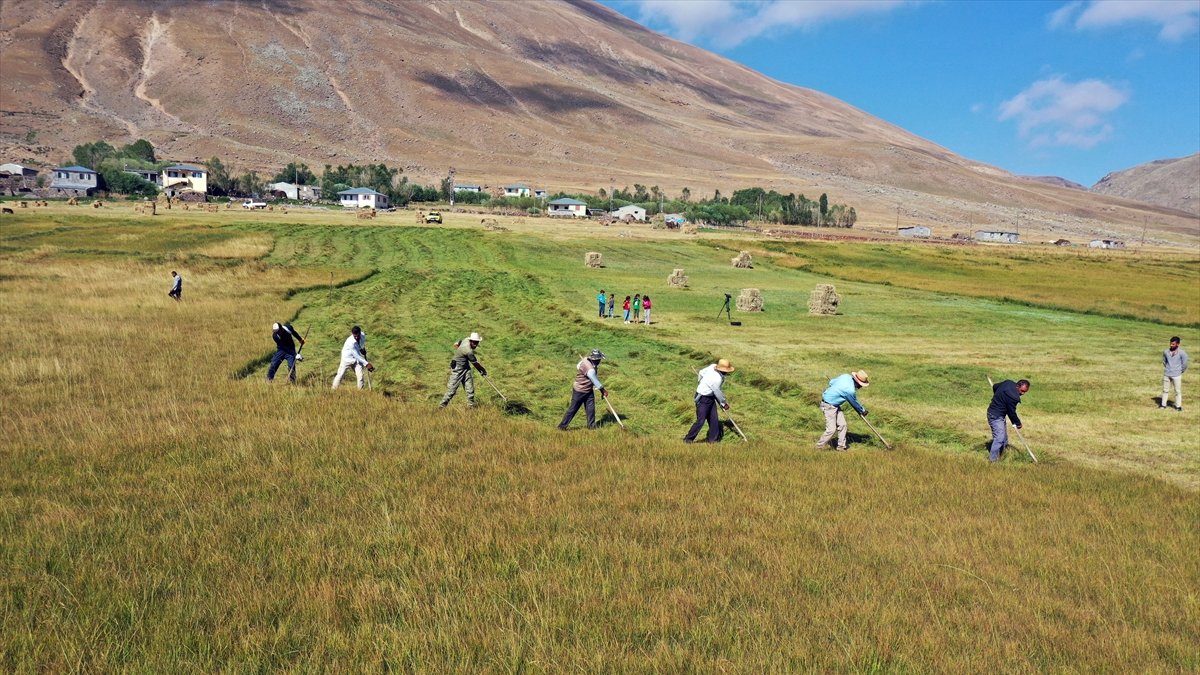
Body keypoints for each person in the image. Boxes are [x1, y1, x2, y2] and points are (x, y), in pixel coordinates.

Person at [816, 370, 870, 452]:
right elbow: (854, 402)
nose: (860, 387)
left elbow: (831, 382)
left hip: (835, 405)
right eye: (861, 385)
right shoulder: (849, 390)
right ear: (858, 383)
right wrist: (862, 410)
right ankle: (818, 447)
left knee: (843, 425)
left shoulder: (845, 376)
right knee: (831, 429)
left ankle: (841, 447)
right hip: (828, 406)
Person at [684, 359, 735, 443]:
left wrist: (701, 381)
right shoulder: (717, 378)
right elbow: (718, 393)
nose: (727, 373)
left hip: (710, 397)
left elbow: (701, 372)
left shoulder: (712, 366)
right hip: (702, 398)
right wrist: (724, 403)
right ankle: (688, 439)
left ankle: (712, 440)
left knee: (713, 419)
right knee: (701, 420)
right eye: (726, 371)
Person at [558, 349, 608, 430]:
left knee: (591, 409)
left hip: (589, 390)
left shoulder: (586, 360)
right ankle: (562, 427)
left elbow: (578, 366)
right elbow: (594, 379)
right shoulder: (590, 369)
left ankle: (591, 427)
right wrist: (603, 390)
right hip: (579, 391)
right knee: (573, 409)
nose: (600, 361)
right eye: (599, 359)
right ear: (596, 359)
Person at [987, 378, 1030, 463]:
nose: (1022, 393)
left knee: (1004, 439)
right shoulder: (1013, 397)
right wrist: (1017, 423)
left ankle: (1002, 455)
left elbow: (995, 386)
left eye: (1025, 392)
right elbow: (1011, 413)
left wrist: (999, 397)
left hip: (1000, 414)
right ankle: (993, 461)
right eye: (1022, 391)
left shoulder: (1008, 382)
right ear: (1017, 386)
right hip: (995, 416)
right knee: (999, 438)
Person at [440, 332, 487, 407]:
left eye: (477, 343)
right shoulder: (468, 351)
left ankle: (471, 407)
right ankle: (441, 407)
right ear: (470, 341)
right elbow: (475, 364)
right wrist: (482, 370)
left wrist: (460, 351)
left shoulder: (465, 340)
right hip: (457, 369)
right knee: (452, 390)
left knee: (470, 389)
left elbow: (456, 343)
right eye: (474, 342)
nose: (475, 345)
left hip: (465, 367)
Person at [1161, 336, 1189, 411]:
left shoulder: (1182, 353)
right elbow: (1164, 361)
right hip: (1167, 374)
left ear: (1178, 344)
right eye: (1170, 344)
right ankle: (1163, 405)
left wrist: (1180, 371)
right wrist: (1168, 368)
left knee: (1177, 391)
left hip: (1177, 375)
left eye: (1173, 344)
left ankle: (1178, 407)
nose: (1171, 345)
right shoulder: (1166, 352)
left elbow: (1185, 364)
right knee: (1165, 390)